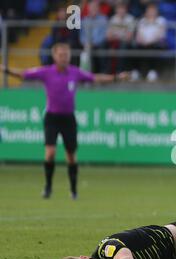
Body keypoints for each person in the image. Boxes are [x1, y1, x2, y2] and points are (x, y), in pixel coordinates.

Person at [0, 43, 129, 200]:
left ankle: (73, 190)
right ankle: (48, 187)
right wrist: (4, 69)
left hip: (68, 119)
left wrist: (115, 77)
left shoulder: (74, 72)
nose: (64, 58)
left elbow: (95, 78)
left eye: (66, 55)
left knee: (71, 155)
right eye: (61, 55)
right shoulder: (46, 72)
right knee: (50, 153)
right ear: (55, 56)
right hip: (52, 118)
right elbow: (23, 74)